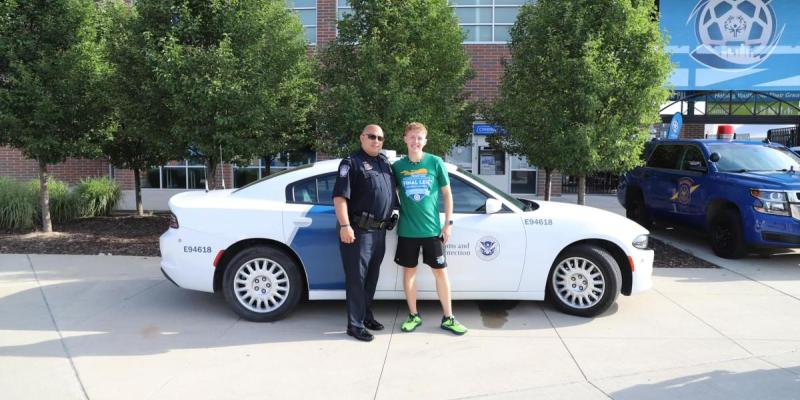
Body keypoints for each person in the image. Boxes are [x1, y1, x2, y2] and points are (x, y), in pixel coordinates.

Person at [392, 122, 467, 335]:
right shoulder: (398, 167)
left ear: (425, 141)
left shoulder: (435, 163)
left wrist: (448, 224)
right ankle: (414, 316)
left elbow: (447, 194)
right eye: (412, 137)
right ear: (405, 139)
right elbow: (390, 193)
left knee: (441, 273)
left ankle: (448, 317)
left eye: (419, 138)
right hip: (407, 231)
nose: (415, 141)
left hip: (433, 231)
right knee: (409, 273)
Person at [332, 124, 396, 342]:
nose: (376, 140)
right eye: (372, 136)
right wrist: (345, 225)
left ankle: (366, 316)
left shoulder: (384, 163)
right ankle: (355, 325)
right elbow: (340, 197)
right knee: (357, 279)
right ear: (362, 137)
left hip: (379, 231)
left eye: (380, 137)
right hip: (358, 230)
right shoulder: (351, 163)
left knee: (371, 278)